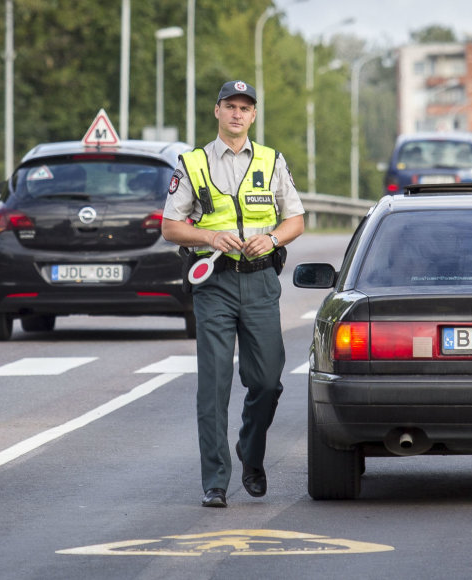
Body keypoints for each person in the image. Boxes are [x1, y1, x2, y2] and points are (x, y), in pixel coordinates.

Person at [161, 80, 305, 508]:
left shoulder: (271, 160)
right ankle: (216, 481)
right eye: (230, 106)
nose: (237, 114)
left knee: (267, 382)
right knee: (215, 384)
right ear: (217, 111)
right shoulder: (193, 163)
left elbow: (295, 218)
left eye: (245, 107)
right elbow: (171, 226)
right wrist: (209, 235)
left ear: (254, 115)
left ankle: (250, 448)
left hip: (261, 281)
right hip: (215, 283)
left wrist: (275, 240)